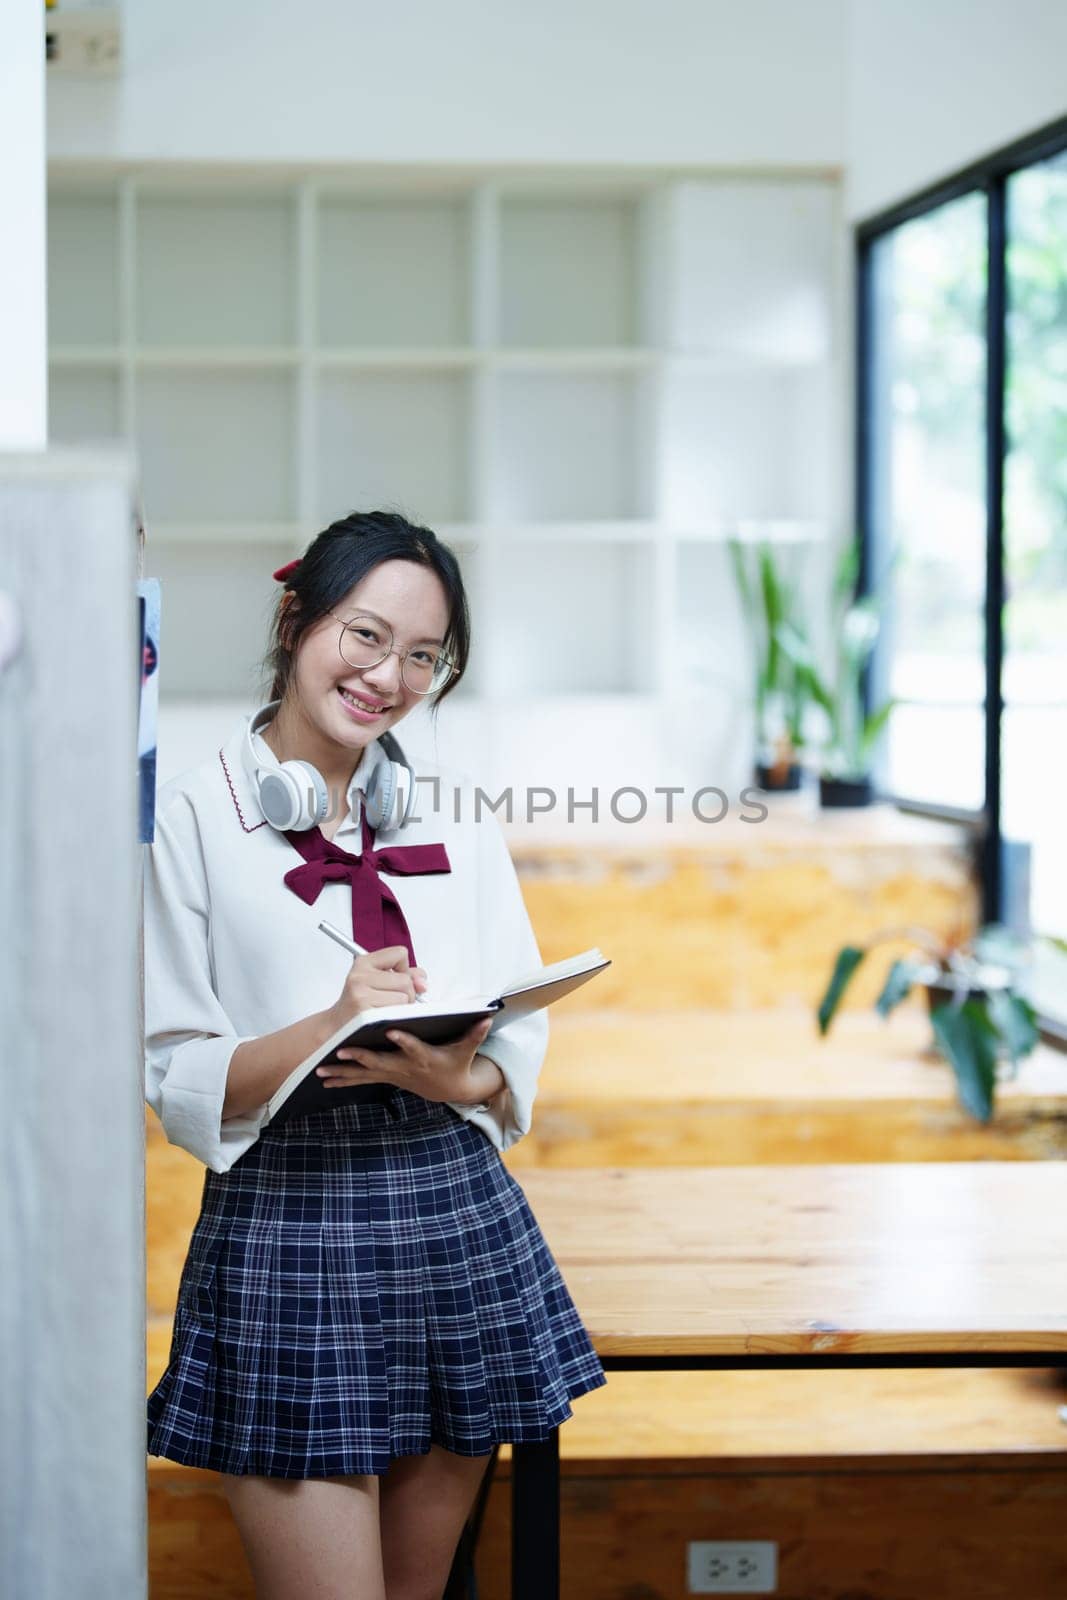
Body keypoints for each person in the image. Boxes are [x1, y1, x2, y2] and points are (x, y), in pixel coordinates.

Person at [144, 510, 607, 1600]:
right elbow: (174, 1072)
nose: (387, 676)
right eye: (365, 635)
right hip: (289, 1223)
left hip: (452, 1211)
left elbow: (517, 1026)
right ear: (297, 617)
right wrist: (330, 1021)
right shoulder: (192, 817)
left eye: (420, 656)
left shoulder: (452, 809)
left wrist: (462, 1076)